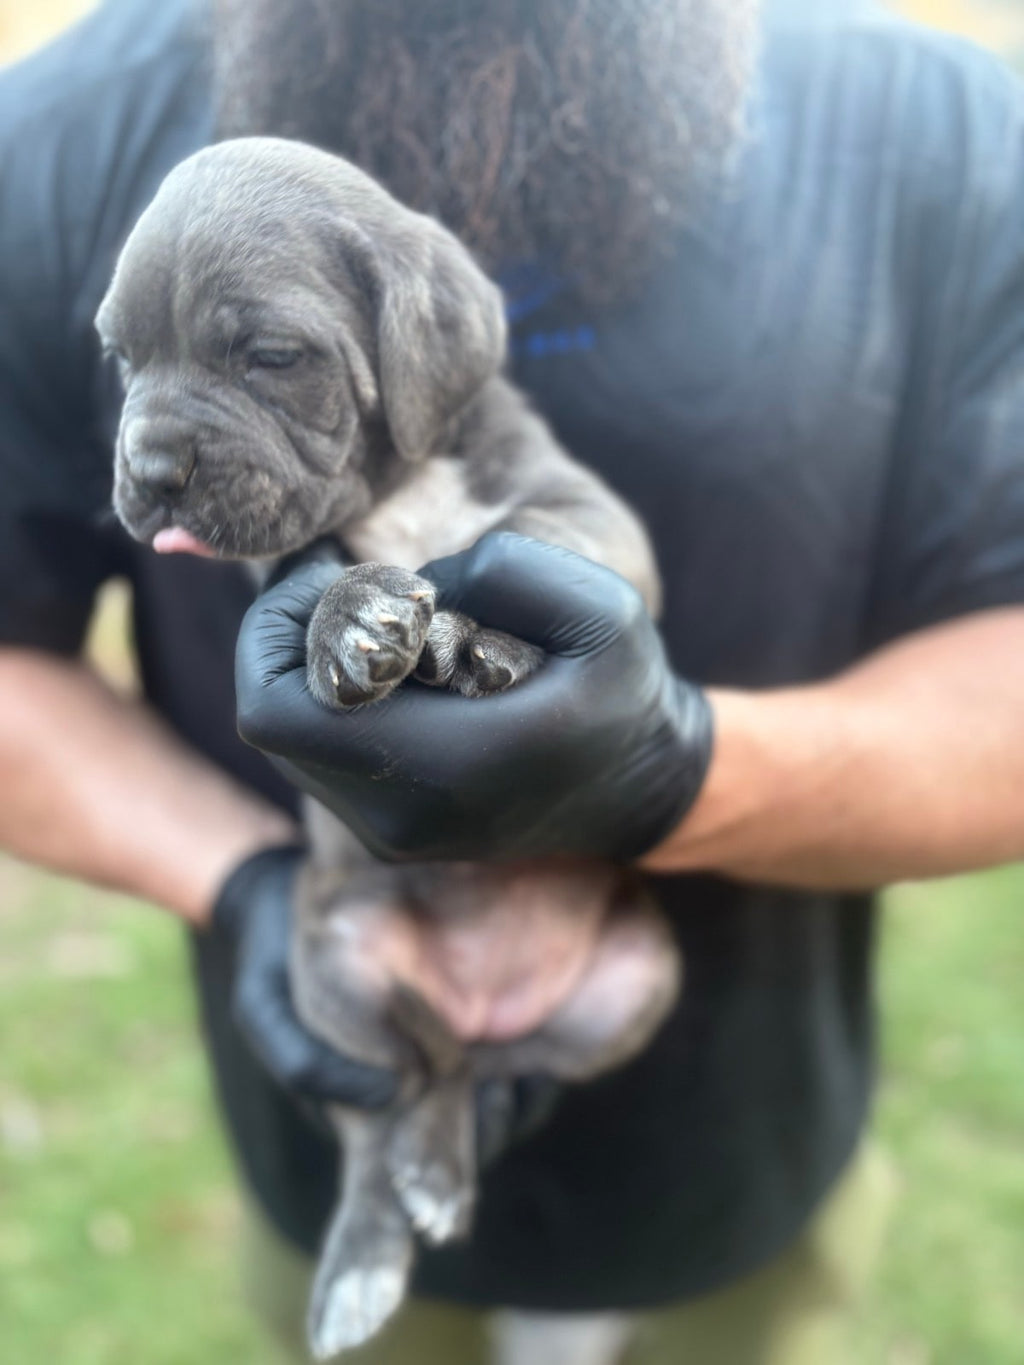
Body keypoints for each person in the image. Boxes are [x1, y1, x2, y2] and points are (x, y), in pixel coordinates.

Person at [2, 0, 1024, 1361]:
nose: (161, 436)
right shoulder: (61, 136)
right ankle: (392, 1179)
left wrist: (683, 768)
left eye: (267, 356)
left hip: (727, 1136)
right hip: (348, 1063)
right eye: (134, 363)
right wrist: (242, 885)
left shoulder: (940, 134)